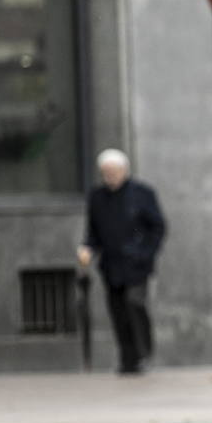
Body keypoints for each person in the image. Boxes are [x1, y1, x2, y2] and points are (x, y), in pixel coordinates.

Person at [77, 149, 167, 376]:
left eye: (114, 171)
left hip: (137, 264)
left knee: (134, 304)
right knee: (118, 312)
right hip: (111, 264)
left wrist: (146, 252)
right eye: (106, 172)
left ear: (124, 170)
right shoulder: (97, 197)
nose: (110, 176)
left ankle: (144, 354)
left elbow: (157, 227)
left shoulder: (141, 194)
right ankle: (128, 360)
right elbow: (93, 231)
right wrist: (88, 248)